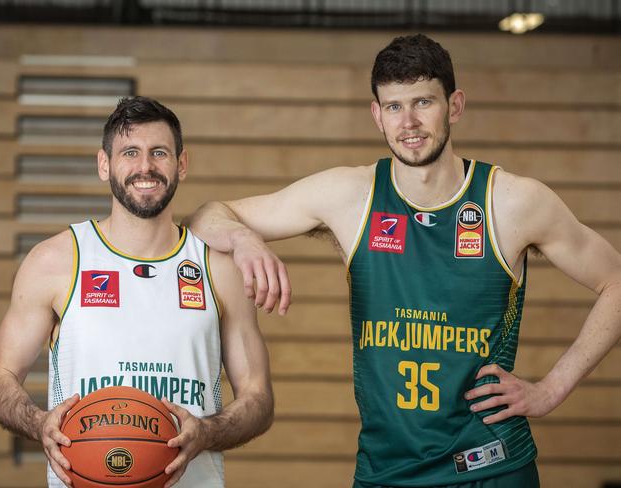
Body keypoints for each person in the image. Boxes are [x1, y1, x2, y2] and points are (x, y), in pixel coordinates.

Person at [188, 34, 621, 487]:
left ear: (454, 106)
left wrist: (551, 389)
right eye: (394, 106)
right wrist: (244, 239)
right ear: (377, 114)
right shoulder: (351, 196)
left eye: (423, 102)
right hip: (386, 471)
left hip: (492, 467)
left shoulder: (511, 202)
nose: (409, 122)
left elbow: (614, 282)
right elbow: (206, 217)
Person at [0, 96, 273, 488]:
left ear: (181, 164)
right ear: (104, 164)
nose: (145, 167)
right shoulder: (55, 261)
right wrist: (39, 423)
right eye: (130, 153)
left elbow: (258, 398)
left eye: (159, 153)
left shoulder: (217, 269)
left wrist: (208, 431)